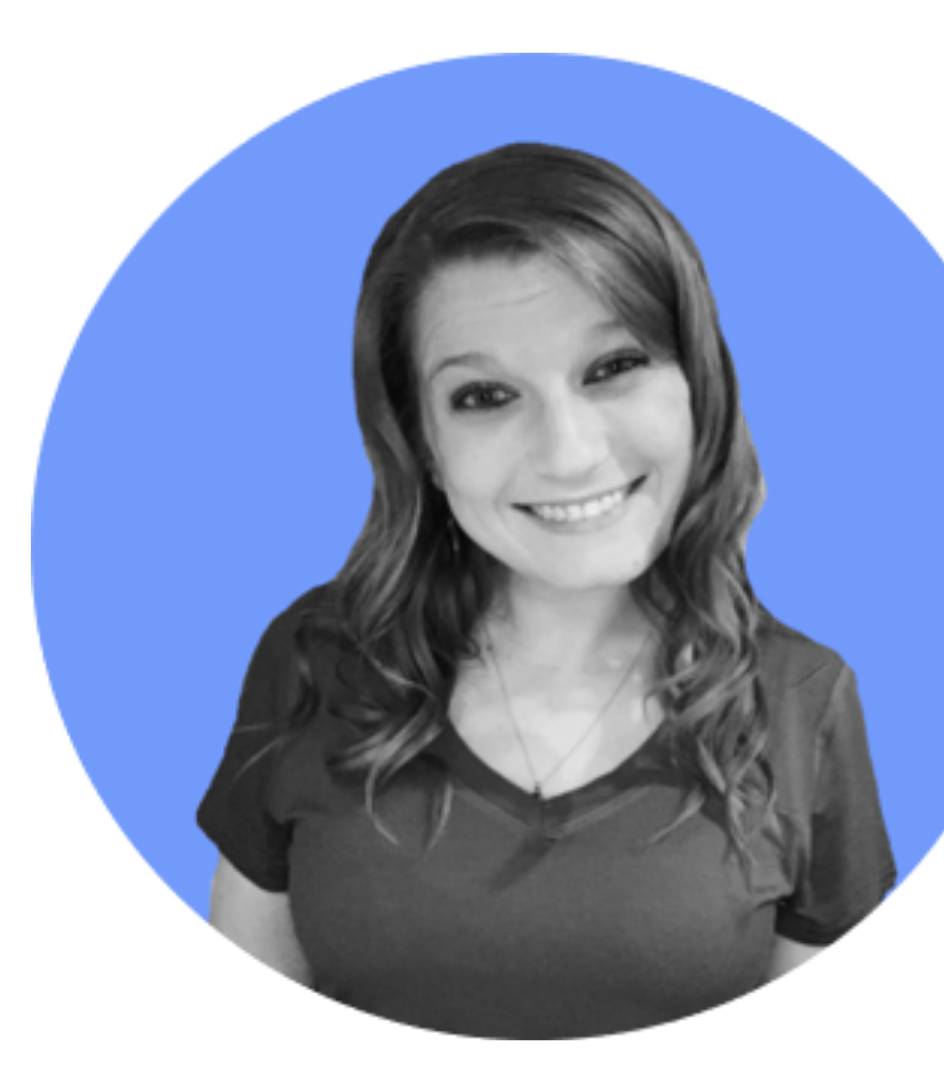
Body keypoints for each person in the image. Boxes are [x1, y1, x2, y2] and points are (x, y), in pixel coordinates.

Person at [197, 142, 896, 1039]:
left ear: (698, 385)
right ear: (420, 444)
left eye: (613, 366)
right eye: (486, 396)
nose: (568, 454)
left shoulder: (804, 700)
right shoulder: (314, 660)